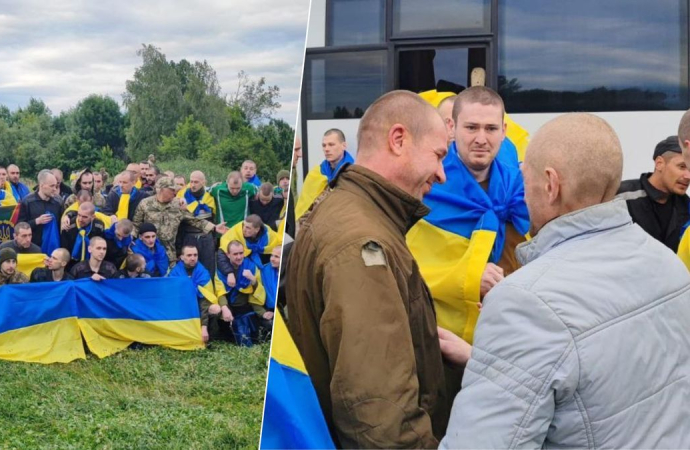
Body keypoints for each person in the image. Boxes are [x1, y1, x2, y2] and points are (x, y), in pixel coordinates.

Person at [439, 113, 690, 448]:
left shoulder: (524, 302)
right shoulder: (669, 266)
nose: (522, 194)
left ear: (550, 185)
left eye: (524, 178)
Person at [285, 90, 450, 447]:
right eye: (438, 155)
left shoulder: (351, 208)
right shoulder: (363, 245)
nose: (442, 174)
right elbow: (381, 421)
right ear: (399, 139)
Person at [408, 86, 528, 345]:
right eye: (471, 127)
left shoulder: (519, 183)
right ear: (451, 128)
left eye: (491, 129)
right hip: (438, 334)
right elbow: (408, 265)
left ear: (504, 131)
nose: (481, 139)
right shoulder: (426, 183)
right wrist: (472, 276)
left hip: (500, 334)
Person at [617, 136, 690, 252]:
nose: (688, 176)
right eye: (682, 167)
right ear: (659, 163)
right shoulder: (621, 196)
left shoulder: (686, 205)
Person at [133, 177, 227, 263]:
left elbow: (194, 220)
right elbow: (136, 225)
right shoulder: (145, 204)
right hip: (148, 253)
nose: (175, 193)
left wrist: (214, 227)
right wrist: (131, 240)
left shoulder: (178, 205)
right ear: (161, 189)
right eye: (172, 190)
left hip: (169, 254)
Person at [295, 128, 354, 219]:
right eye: (324, 145)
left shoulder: (354, 173)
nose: (326, 149)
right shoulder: (315, 173)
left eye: (331, 145)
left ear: (344, 146)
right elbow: (303, 210)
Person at [168, 244, 218, 344]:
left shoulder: (203, 273)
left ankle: (209, 336)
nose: (193, 258)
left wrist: (203, 327)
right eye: (189, 255)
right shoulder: (174, 274)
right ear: (182, 257)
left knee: (215, 309)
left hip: (199, 306)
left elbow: (205, 301)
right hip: (182, 309)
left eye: (195, 255)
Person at [218, 214, 282, 280]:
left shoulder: (268, 235)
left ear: (257, 230)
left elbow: (280, 243)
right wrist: (229, 272)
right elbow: (222, 253)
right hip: (241, 269)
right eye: (244, 225)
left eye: (248, 228)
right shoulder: (236, 231)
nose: (244, 229)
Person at [17, 170, 63, 249]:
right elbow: (19, 226)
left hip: (53, 248)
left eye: (56, 186)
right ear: (42, 185)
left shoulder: (58, 202)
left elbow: (61, 225)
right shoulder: (27, 202)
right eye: (52, 186)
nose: (55, 189)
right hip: (33, 248)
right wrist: (36, 221)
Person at [60, 202, 106, 267]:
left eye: (85, 217)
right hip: (71, 263)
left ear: (93, 217)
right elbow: (64, 248)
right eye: (79, 215)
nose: (80, 219)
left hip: (92, 262)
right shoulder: (68, 225)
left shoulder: (99, 226)